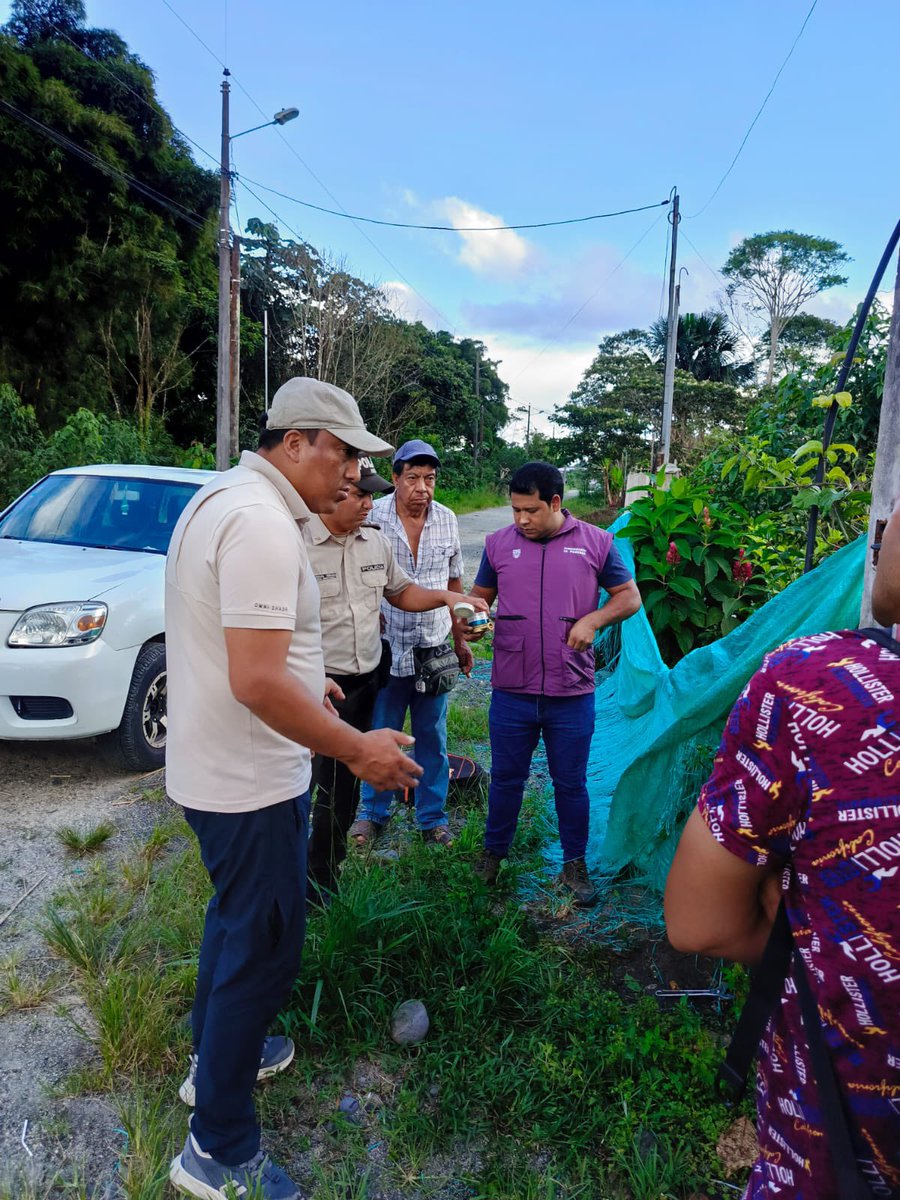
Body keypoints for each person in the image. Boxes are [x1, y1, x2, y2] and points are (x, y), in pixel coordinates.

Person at [165, 378, 422, 1200]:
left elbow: (243, 650)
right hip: (249, 778)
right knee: (266, 948)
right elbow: (254, 679)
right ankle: (219, 1151)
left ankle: (215, 1060)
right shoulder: (262, 526)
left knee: (237, 920)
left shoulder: (226, 497)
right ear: (299, 439)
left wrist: (308, 688)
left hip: (218, 766)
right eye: (343, 452)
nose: (351, 474)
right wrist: (356, 752)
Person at [665, 503, 900, 1200]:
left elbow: (699, 920)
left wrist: (811, 927)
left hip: (833, 1150)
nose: (882, 523)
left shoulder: (816, 687)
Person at [304, 456, 488, 900]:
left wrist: (448, 597)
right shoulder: (297, 544)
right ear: (333, 490)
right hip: (317, 685)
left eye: (370, 493)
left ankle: (326, 874)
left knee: (352, 777)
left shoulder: (374, 543)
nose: (368, 503)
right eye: (359, 493)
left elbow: (402, 591)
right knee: (303, 782)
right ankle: (301, 870)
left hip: (370, 675)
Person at [468, 462, 641, 905]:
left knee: (571, 783)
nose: (521, 520)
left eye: (530, 510)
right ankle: (492, 855)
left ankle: (574, 865)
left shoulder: (596, 543)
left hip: (571, 690)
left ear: (556, 503)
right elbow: (478, 600)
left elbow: (629, 597)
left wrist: (594, 619)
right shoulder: (497, 545)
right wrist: (472, 622)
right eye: (514, 511)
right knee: (506, 778)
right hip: (512, 687)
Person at [350, 439, 471, 848]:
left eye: (430, 479)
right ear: (396, 479)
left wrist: (460, 639)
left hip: (433, 645)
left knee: (433, 737)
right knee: (380, 730)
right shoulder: (374, 516)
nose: (423, 488)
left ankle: (432, 818)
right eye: (414, 478)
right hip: (384, 646)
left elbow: (454, 583)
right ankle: (371, 814)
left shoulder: (448, 520)